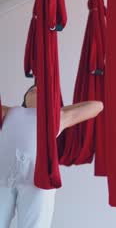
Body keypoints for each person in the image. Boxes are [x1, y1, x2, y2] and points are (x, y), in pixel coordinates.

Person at [0, 84, 104, 228]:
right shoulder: (9, 112)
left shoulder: (56, 118)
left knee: (35, 224)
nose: (36, 89)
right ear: (25, 98)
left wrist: (59, 110)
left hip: (38, 179)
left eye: (42, 90)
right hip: (4, 174)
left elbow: (97, 106)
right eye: (32, 90)